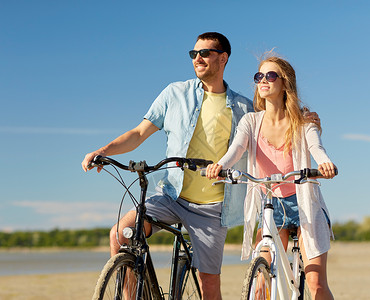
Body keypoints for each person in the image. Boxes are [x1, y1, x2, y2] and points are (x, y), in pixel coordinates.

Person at [82, 32, 253, 300]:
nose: (198, 58)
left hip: (211, 208)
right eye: (193, 54)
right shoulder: (175, 93)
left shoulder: (244, 107)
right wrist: (102, 151)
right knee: (121, 236)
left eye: (205, 53)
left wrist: (305, 118)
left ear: (223, 58)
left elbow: (272, 128)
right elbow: (139, 133)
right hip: (171, 196)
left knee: (209, 283)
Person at [205, 53, 337, 299]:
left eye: (270, 75)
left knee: (316, 281)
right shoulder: (251, 121)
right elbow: (236, 149)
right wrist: (219, 166)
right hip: (270, 204)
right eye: (259, 76)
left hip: (304, 203)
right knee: (261, 275)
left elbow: (316, 148)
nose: (263, 80)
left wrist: (325, 163)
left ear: (284, 82)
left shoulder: (303, 122)